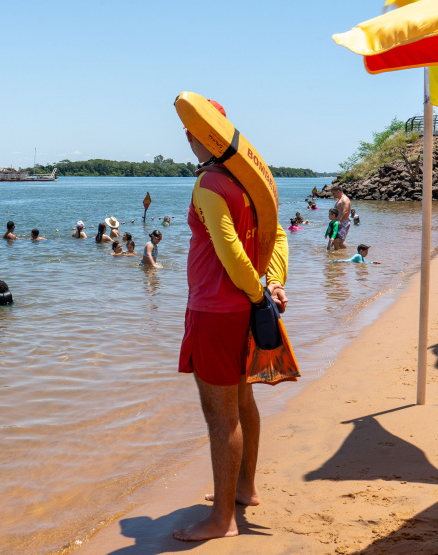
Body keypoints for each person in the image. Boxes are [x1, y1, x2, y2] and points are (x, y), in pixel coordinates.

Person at [173, 99, 289, 542]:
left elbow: (231, 254)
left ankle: (221, 519)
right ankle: (245, 489)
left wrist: (259, 289)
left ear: (197, 135)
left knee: (219, 416)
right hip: (247, 309)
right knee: (241, 402)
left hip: (215, 311)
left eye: (188, 131)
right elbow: (275, 233)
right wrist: (272, 284)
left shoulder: (209, 185)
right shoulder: (251, 179)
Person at [331, 185, 351, 249]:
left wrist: (340, 221)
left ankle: (344, 254)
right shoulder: (339, 199)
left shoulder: (345, 199)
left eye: (334, 193)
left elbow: (345, 211)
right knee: (335, 239)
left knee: (340, 241)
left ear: (338, 191)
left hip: (343, 222)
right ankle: (338, 254)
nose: (333, 195)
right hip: (338, 222)